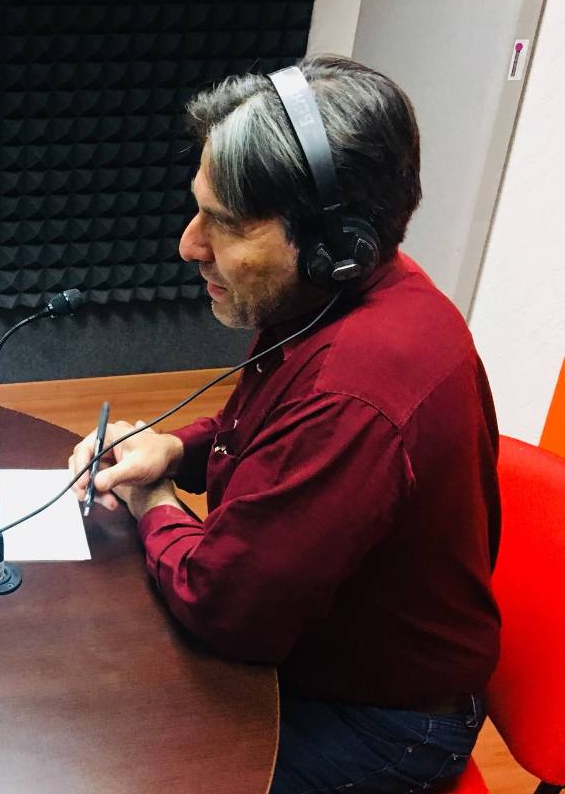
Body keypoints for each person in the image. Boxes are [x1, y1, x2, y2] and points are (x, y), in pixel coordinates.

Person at [69, 56, 499, 794]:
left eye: (225, 223)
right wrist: (172, 448)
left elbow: (224, 608)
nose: (189, 244)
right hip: (318, 667)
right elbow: (271, 428)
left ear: (336, 244)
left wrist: (154, 501)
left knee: (107, 752)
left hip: (379, 726)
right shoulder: (349, 294)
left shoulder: (357, 385)